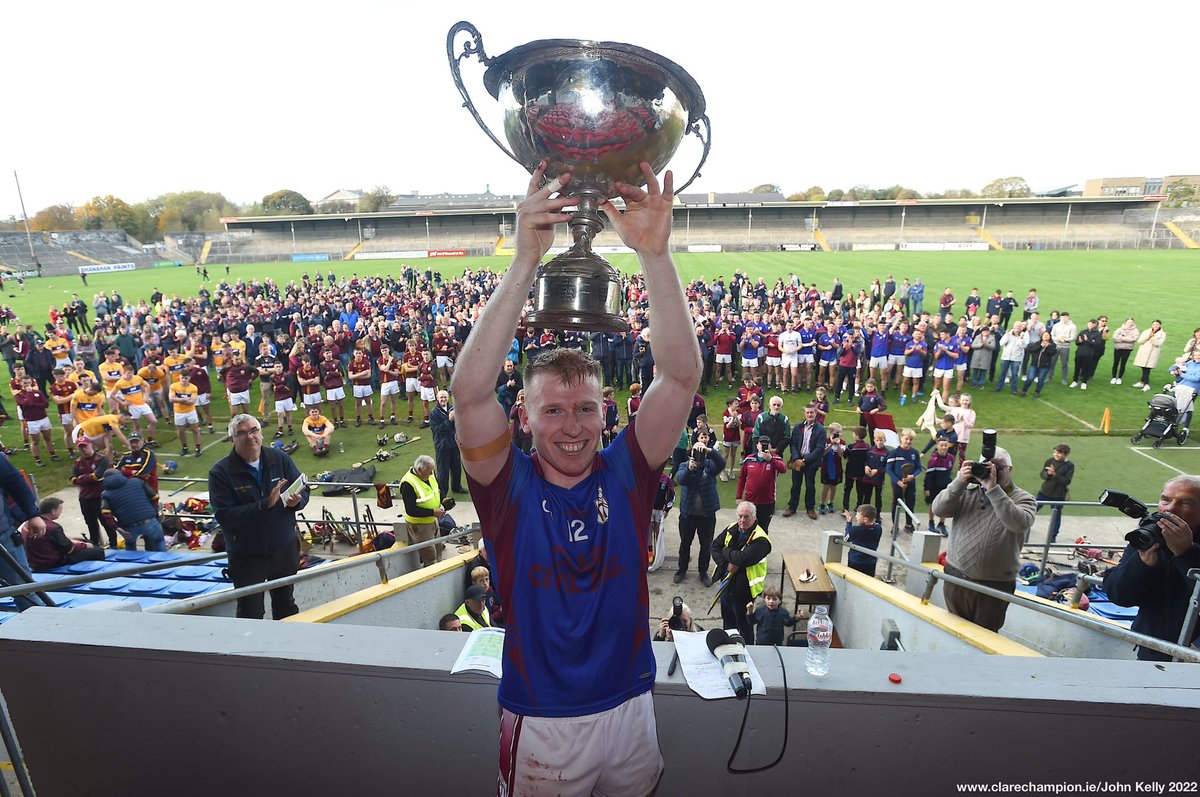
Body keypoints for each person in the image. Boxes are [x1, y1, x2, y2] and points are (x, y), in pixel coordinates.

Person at [452, 162, 698, 796]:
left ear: (605, 412)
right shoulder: (508, 489)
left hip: (630, 704)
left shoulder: (627, 470)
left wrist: (656, 256)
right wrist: (523, 264)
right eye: (553, 410)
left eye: (586, 408)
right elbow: (469, 392)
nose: (571, 426)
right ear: (524, 420)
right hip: (543, 719)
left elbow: (679, 378)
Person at [209, 414, 309, 620]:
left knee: (286, 605)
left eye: (254, 430)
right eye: (242, 433)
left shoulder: (278, 458)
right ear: (232, 439)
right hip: (247, 555)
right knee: (250, 612)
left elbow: (303, 488)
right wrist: (265, 505)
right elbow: (225, 516)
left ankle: (290, 650)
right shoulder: (221, 472)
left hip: (284, 548)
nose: (250, 436)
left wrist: (296, 501)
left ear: (261, 434)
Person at [932, 447, 1037, 632]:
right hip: (956, 578)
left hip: (993, 585)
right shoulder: (967, 490)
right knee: (952, 633)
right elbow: (939, 510)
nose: (993, 472)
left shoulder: (1024, 498)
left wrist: (993, 489)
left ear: (1010, 469)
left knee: (984, 638)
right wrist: (959, 482)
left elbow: (1018, 523)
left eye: (999, 467)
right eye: (989, 467)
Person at [1103, 476, 1200, 661]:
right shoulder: (1149, 534)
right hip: (1151, 647)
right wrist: (1142, 564)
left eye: (1186, 503)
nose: (1170, 508)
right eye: (1166, 499)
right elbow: (1119, 596)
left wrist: (1186, 553)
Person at [712, 501, 773, 643]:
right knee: (728, 624)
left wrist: (725, 551)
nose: (742, 520)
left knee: (744, 626)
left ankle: (747, 652)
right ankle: (728, 647)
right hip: (726, 586)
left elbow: (743, 559)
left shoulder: (761, 540)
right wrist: (726, 564)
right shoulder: (732, 528)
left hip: (744, 592)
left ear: (754, 518)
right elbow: (715, 546)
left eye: (746, 517)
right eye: (740, 516)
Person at [672, 427, 724, 586]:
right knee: (685, 544)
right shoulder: (684, 465)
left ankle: (703, 572)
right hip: (688, 514)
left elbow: (721, 463)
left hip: (707, 515)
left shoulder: (709, 466)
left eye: (700, 452)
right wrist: (690, 468)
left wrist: (709, 451)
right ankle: (682, 570)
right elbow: (680, 479)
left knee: (706, 546)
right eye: (696, 451)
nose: (698, 455)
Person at [0, 452, 49, 611]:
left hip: (3, 536)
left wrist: (32, 514)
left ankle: (40, 630)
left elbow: (14, 481)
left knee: (23, 589)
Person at [22, 496, 104, 571]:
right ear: (53, 511)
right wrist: (86, 545)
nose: (61, 512)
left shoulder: (29, 524)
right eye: (60, 509)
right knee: (97, 551)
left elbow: (51, 541)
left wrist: (71, 540)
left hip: (35, 562)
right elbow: (69, 548)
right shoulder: (53, 527)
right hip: (51, 562)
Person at [100, 469, 165, 552]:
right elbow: (155, 496)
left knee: (130, 551)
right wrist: (153, 511)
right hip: (149, 521)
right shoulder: (137, 482)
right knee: (158, 544)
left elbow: (106, 513)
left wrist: (117, 528)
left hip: (128, 526)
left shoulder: (106, 494)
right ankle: (165, 564)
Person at [398, 454, 445, 568]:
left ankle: (439, 571)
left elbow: (437, 489)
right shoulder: (407, 484)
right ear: (419, 469)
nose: (431, 473)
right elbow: (411, 510)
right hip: (420, 526)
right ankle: (432, 579)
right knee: (430, 556)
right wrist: (433, 512)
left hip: (433, 521)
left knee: (438, 548)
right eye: (429, 471)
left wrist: (443, 500)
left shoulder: (430, 473)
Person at [783, 405, 826, 520]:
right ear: (804, 414)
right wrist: (797, 458)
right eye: (807, 412)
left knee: (810, 486)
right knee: (795, 485)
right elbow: (793, 444)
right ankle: (792, 507)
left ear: (815, 413)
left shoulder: (821, 429)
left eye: (812, 412)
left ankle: (810, 508)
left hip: (811, 462)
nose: (810, 414)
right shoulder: (798, 427)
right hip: (797, 461)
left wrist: (805, 460)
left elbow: (819, 449)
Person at [736, 435, 786, 531]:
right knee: (747, 528)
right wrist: (738, 496)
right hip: (750, 501)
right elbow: (742, 478)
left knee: (763, 529)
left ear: (770, 446)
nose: (763, 446)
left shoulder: (775, 459)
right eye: (761, 444)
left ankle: (762, 546)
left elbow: (783, 469)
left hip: (767, 502)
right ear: (757, 445)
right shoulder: (749, 459)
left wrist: (770, 459)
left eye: (766, 445)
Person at [428, 389, 464, 499]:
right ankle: (442, 492)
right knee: (443, 470)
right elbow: (438, 430)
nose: (443, 399)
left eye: (445, 397)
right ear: (437, 399)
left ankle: (456, 486)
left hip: (454, 443)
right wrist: (449, 420)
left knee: (456, 467)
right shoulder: (434, 413)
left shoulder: (453, 409)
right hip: (442, 446)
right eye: (441, 398)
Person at [842, 504, 883, 577]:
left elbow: (846, 539)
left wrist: (849, 523)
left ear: (865, 519)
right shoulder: (878, 528)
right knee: (868, 582)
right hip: (871, 561)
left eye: (858, 515)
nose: (856, 517)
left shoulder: (856, 530)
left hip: (856, 561)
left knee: (853, 580)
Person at [1132, 320, 1167, 392]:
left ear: (1160, 325)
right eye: (1154, 324)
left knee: (1147, 369)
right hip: (1144, 352)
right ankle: (1142, 382)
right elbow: (1140, 341)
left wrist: (1153, 338)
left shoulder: (1162, 334)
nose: (1155, 326)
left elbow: (1158, 344)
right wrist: (1148, 336)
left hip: (1152, 354)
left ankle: (1146, 384)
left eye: (1157, 324)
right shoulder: (1146, 331)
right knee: (1144, 367)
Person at [1110, 318, 1139, 385]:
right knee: (1115, 363)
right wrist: (1128, 338)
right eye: (1128, 322)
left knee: (1123, 363)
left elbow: (1133, 339)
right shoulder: (1120, 329)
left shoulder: (1135, 331)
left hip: (1127, 349)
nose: (1130, 323)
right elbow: (1114, 338)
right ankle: (1114, 377)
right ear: (1125, 322)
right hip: (1118, 348)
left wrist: (1122, 338)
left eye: (1131, 322)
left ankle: (1119, 378)